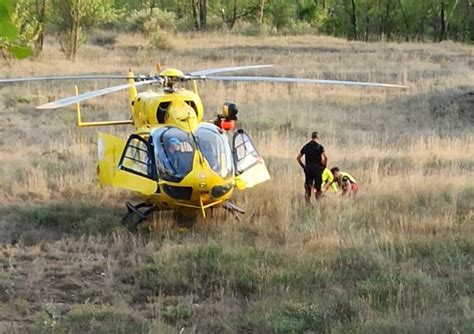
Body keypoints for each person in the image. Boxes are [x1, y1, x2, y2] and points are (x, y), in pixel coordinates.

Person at [296, 131, 328, 203]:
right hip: (317, 169)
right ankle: (319, 204)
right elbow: (326, 157)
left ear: (311, 137)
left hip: (308, 169)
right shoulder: (320, 147)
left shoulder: (306, 146)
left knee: (308, 188)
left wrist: (303, 166)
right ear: (318, 137)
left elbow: (298, 158)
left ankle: (307, 204)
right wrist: (324, 166)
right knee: (318, 188)